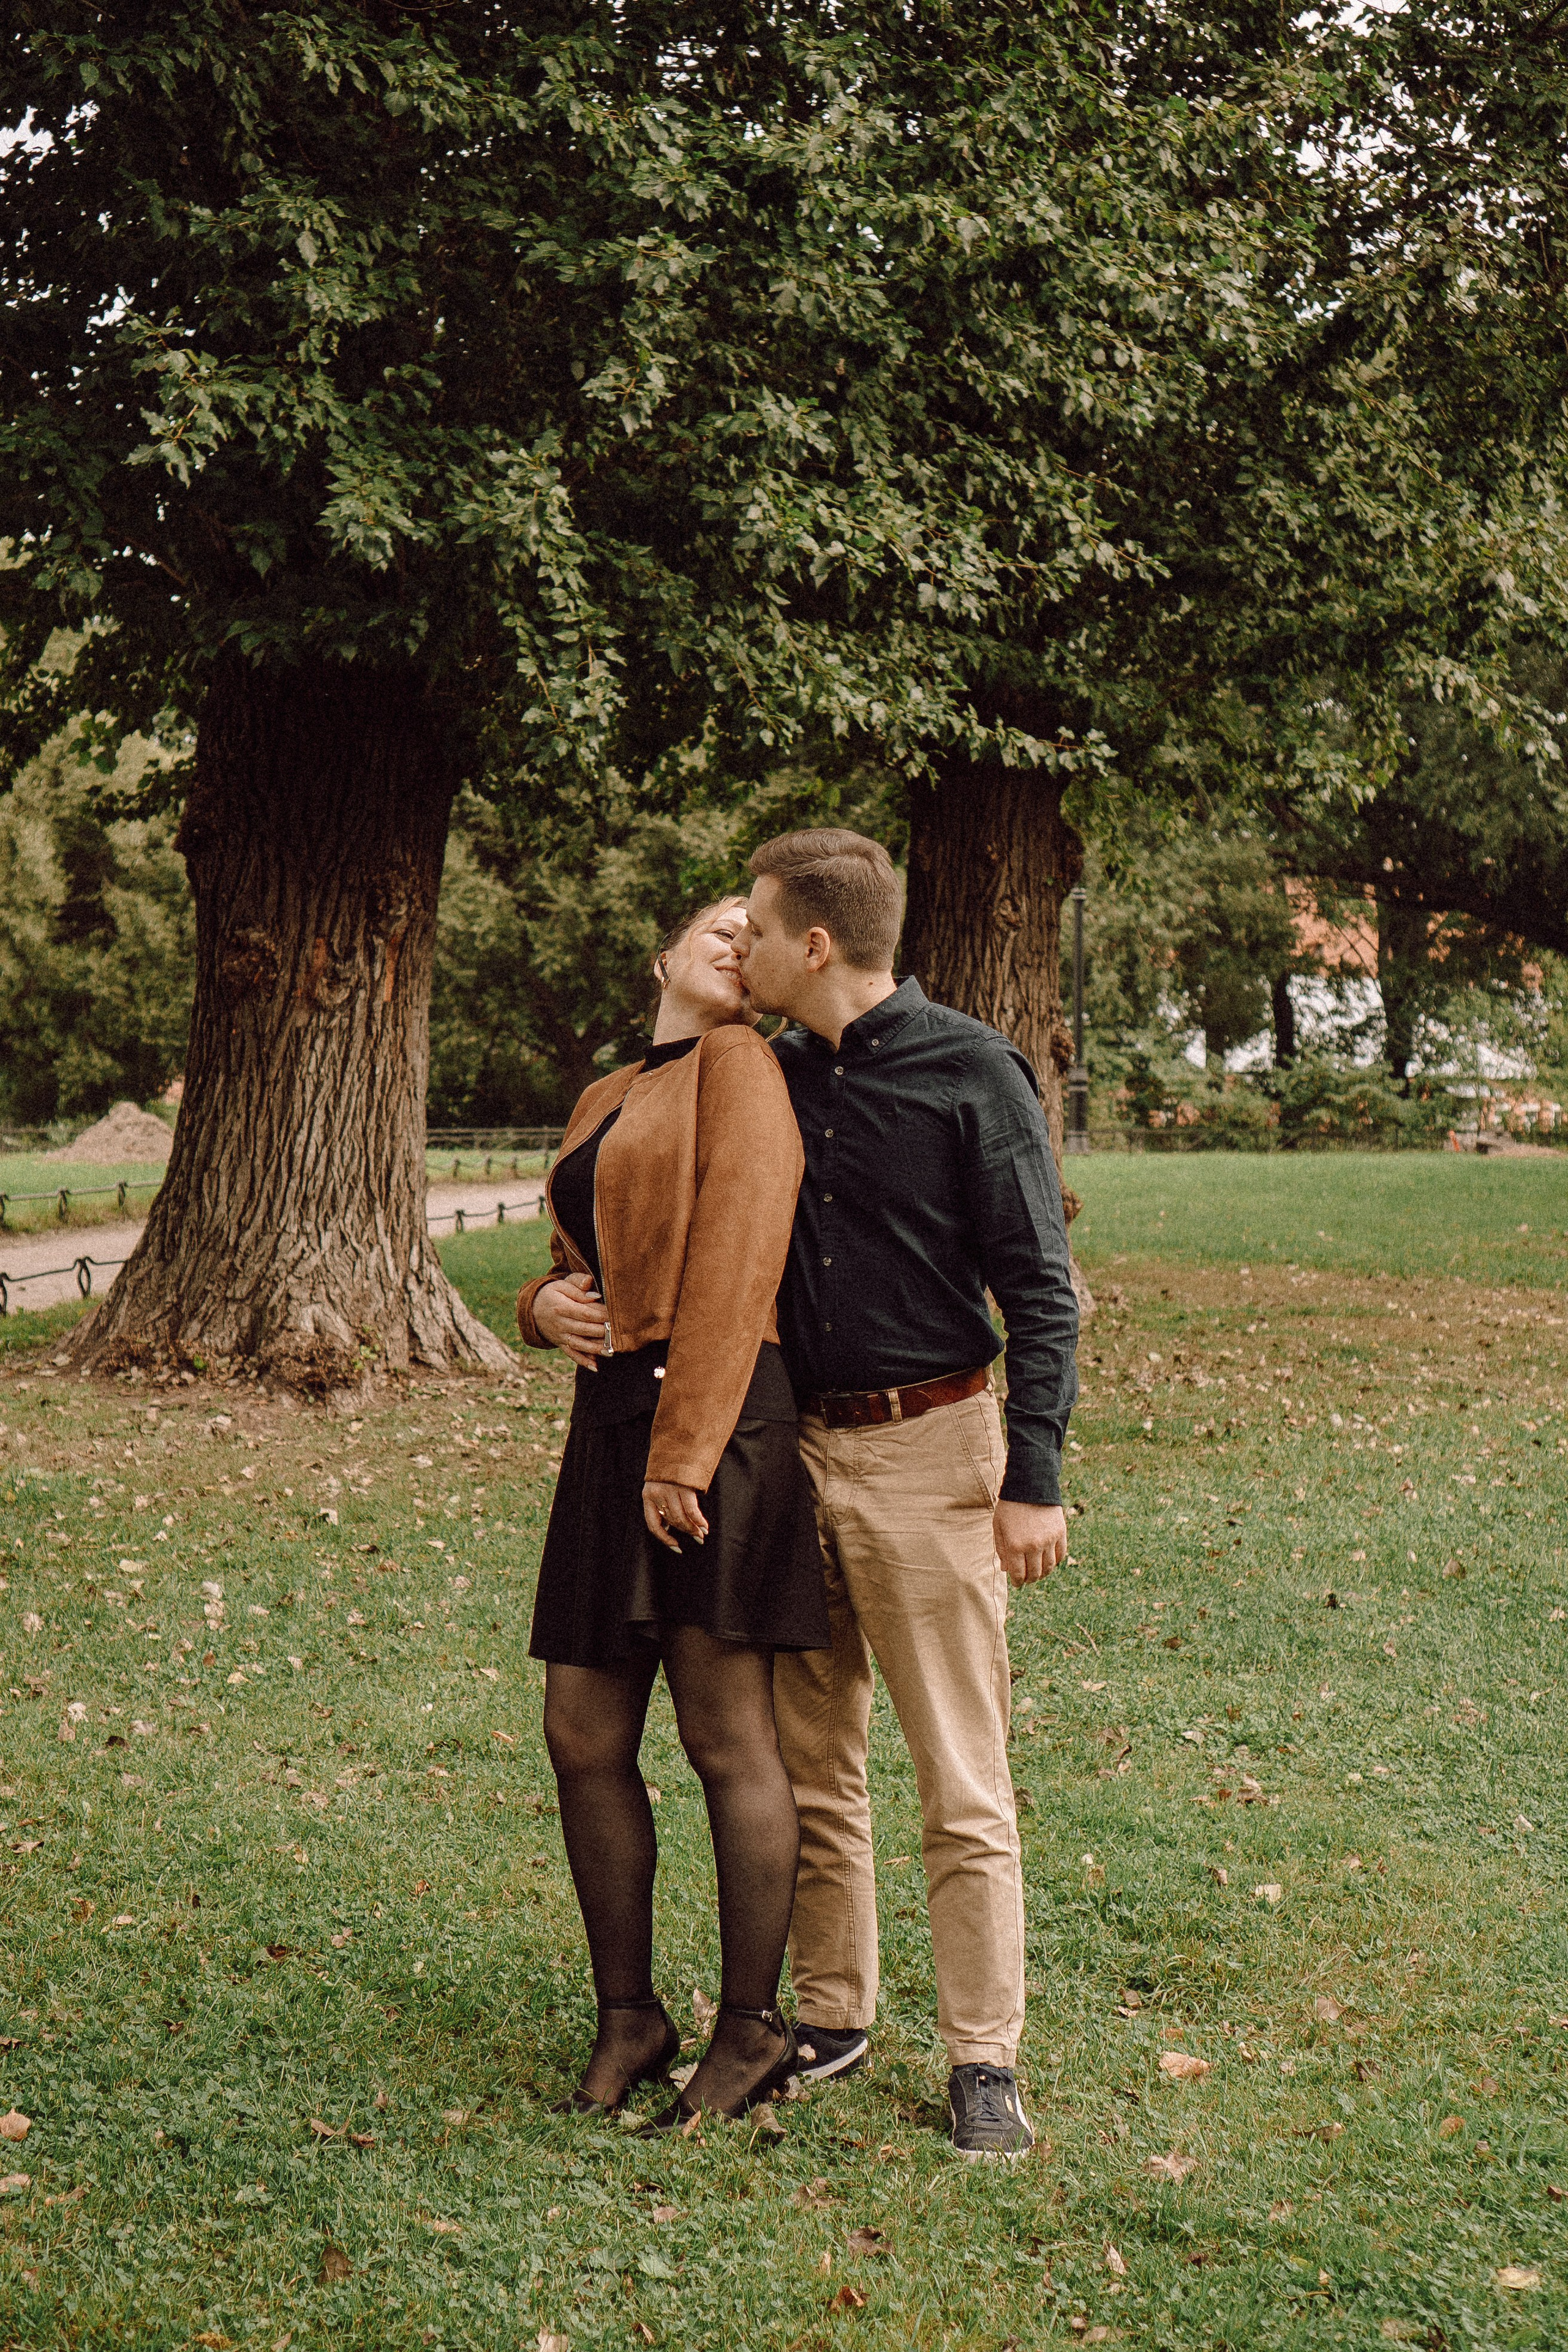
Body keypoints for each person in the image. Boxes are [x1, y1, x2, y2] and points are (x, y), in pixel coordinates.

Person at [734, 828, 1079, 2159]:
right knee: (809, 1759)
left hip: (935, 1453)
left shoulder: (971, 1071)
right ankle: (831, 2014)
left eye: (758, 928)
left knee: (959, 1777)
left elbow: (1041, 1289)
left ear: (811, 943)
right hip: (789, 1458)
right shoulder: (763, 1076)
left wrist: (1031, 1479)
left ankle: (984, 2057)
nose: (746, 949)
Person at [518, 896, 829, 2128]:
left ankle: (752, 2030)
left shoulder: (741, 1064)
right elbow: (575, 1248)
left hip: (709, 1421)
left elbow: (741, 1261)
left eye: (758, 932)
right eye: (719, 919)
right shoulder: (609, 1091)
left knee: (723, 1736)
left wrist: (686, 1454)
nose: (737, 939)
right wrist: (542, 1305)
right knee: (582, 1733)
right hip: (608, 1432)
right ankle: (629, 2017)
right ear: (661, 952)